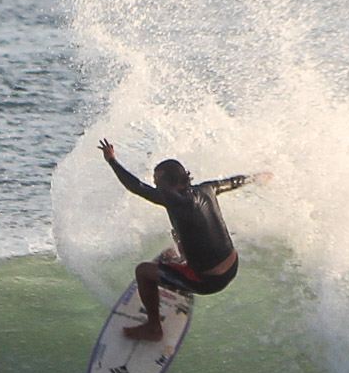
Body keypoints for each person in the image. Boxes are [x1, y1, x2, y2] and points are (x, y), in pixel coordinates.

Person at [98, 139, 271, 341]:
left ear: (163, 177)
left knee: (143, 271)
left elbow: (135, 186)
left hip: (209, 281)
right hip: (232, 265)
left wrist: (112, 161)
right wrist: (254, 178)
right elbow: (233, 182)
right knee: (178, 238)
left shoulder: (172, 199)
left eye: (156, 179)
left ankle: (153, 328)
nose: (154, 184)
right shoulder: (207, 189)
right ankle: (183, 263)